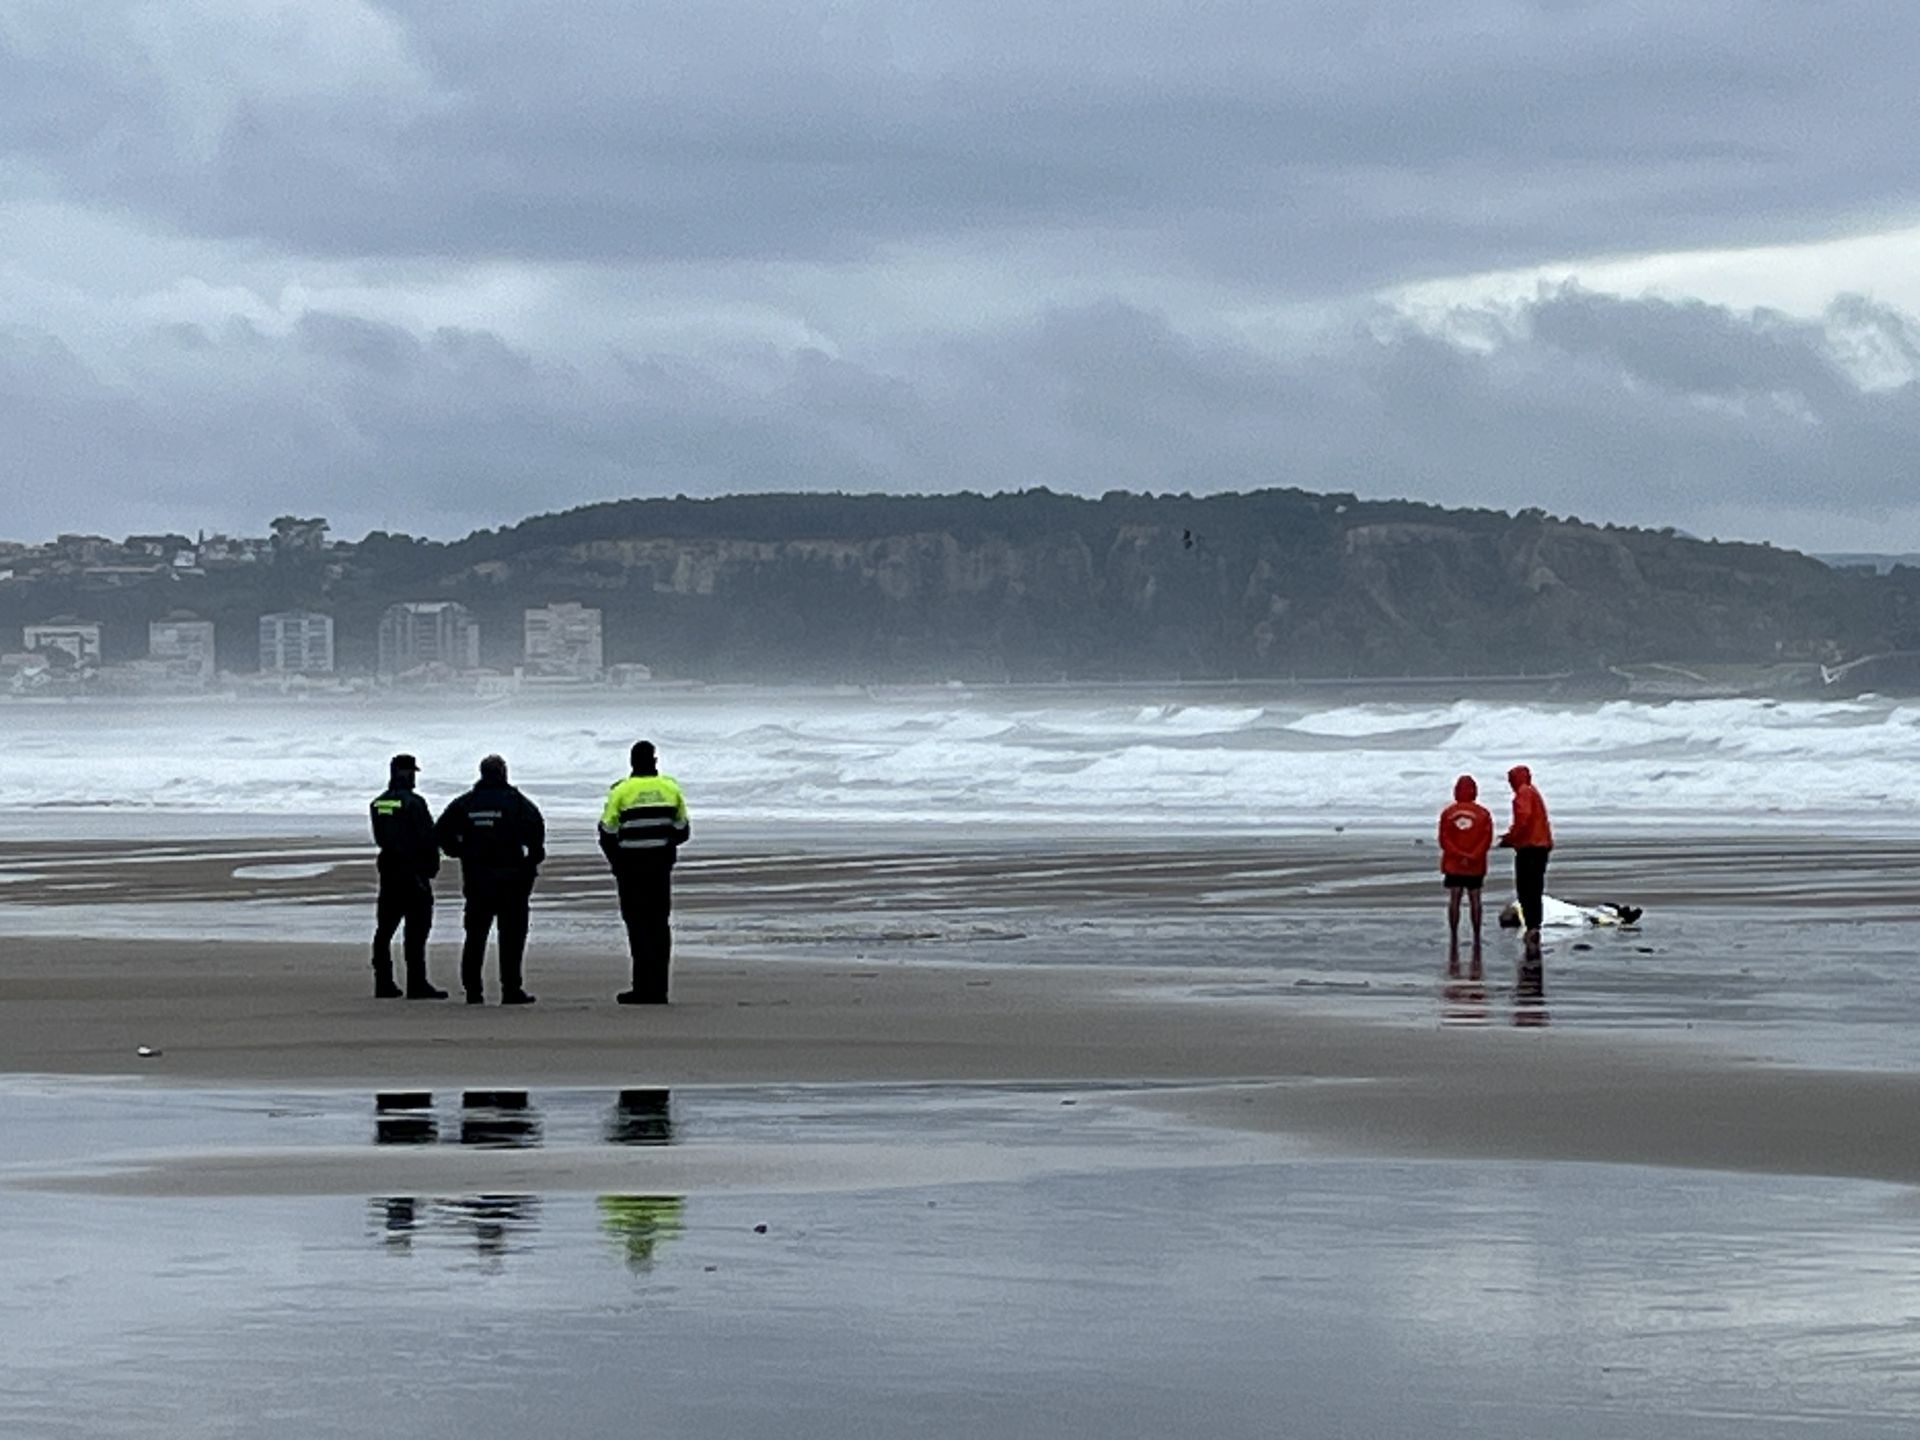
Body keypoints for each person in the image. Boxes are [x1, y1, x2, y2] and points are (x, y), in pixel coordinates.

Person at [435, 754, 545, 1005]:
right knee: (511, 937)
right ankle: (511, 990)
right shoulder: (517, 803)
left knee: (475, 936)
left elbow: (440, 833)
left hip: (477, 879)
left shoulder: (465, 803)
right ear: (503, 773)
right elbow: (536, 833)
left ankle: (474, 991)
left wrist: (459, 851)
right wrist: (531, 861)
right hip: (512, 881)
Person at [598, 740, 690, 1004]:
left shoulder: (621, 791)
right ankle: (659, 989)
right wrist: (664, 848)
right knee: (660, 926)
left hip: (631, 869)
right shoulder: (670, 789)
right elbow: (682, 830)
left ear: (631, 762)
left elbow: (607, 832)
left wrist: (617, 863)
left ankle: (641, 987)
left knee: (637, 927)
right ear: (655, 761)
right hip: (660, 868)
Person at [368, 753, 447, 1000]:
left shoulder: (378, 803)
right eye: (411, 772)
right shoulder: (414, 803)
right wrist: (432, 866)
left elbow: (381, 836)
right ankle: (417, 983)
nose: (413, 777)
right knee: (416, 930)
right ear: (406, 773)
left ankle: (383, 982)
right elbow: (427, 837)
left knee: (385, 930)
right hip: (413, 871)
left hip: (389, 868)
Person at [1498, 763, 1554, 954]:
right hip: (1541, 846)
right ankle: (1534, 926)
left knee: (1525, 888)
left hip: (1529, 847)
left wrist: (1510, 838)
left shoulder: (1522, 794)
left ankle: (1531, 926)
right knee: (1535, 887)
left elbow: (1523, 819)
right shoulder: (1533, 792)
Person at [1437, 774, 1492, 944]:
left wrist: (1458, 855)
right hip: (1475, 863)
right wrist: (1473, 855)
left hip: (1454, 863)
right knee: (1475, 898)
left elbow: (1444, 838)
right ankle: (1476, 934)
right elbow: (1486, 838)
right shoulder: (1483, 813)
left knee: (1455, 898)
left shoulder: (1448, 813)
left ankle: (1453, 934)